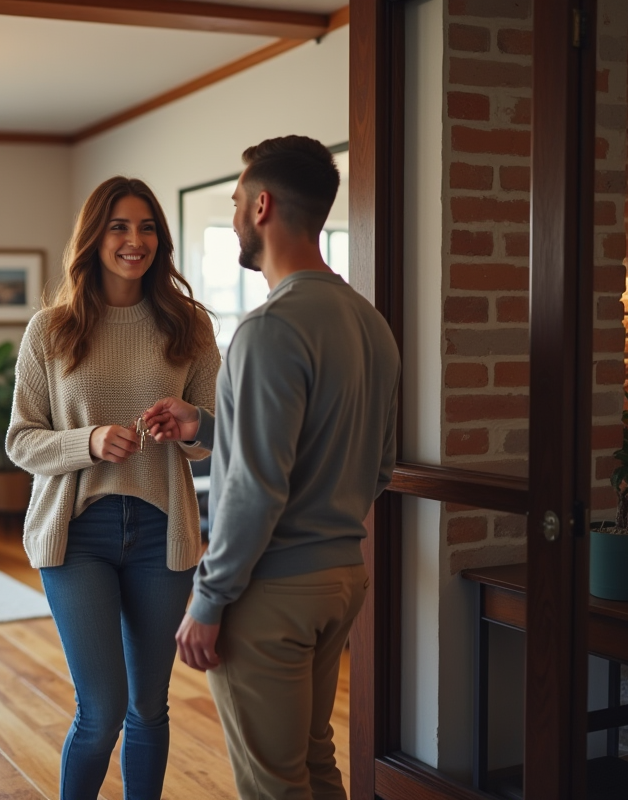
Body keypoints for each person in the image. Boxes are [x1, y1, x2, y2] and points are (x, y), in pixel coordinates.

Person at [142, 136, 400, 800]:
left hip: (272, 593)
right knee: (315, 764)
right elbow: (375, 463)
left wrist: (209, 598)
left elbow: (254, 489)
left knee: (272, 785)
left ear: (262, 205)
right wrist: (207, 427)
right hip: (342, 578)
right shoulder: (371, 324)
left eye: (234, 202)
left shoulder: (269, 329)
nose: (232, 217)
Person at [6, 176, 221, 800]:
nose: (135, 240)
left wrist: (183, 425)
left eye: (147, 227)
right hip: (78, 534)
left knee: (149, 709)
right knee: (101, 711)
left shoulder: (190, 326)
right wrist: (88, 442)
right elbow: (21, 441)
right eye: (120, 226)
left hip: (163, 530)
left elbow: (210, 439)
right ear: (93, 237)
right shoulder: (51, 329)